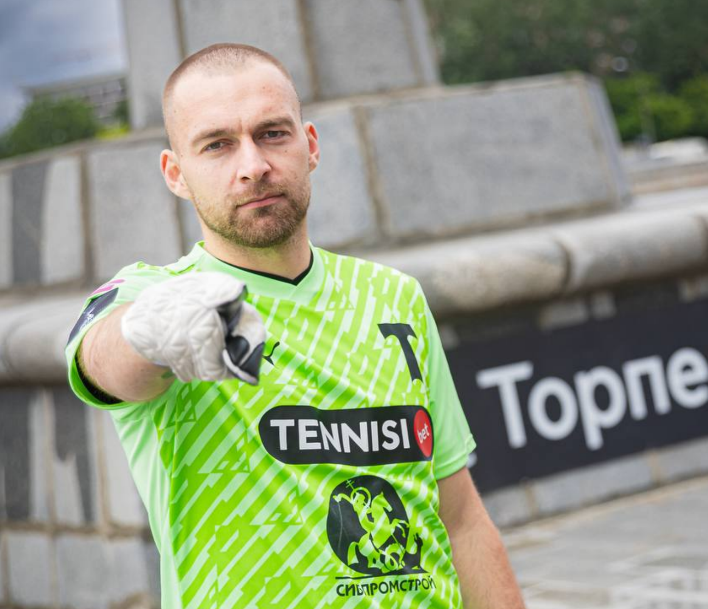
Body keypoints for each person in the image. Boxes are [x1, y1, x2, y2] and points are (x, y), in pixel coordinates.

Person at [65, 43, 526, 609]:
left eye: (272, 134)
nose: (253, 165)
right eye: (217, 145)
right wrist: (148, 333)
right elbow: (101, 360)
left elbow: (462, 520)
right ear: (176, 174)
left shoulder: (395, 296)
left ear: (310, 146)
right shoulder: (154, 294)